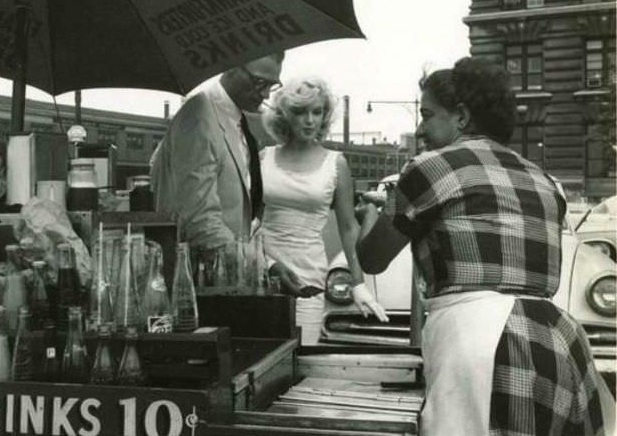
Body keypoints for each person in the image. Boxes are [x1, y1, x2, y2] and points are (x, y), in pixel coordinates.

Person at [356, 57, 611, 435]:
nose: (421, 128)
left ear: (461, 116)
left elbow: (372, 259)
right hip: (558, 338)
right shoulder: (546, 181)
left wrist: (367, 216)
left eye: (427, 115)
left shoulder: (428, 168)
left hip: (476, 340)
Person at [260, 76, 387, 345]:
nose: (309, 120)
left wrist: (358, 283)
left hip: (308, 278)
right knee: (263, 358)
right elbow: (249, 221)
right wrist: (265, 264)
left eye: (316, 112)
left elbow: (348, 226)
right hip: (263, 273)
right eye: (300, 111)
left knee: (302, 354)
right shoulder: (263, 158)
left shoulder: (336, 163)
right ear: (284, 115)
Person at [151, 53, 284, 255]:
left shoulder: (233, 118)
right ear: (231, 67)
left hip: (219, 270)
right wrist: (253, 264)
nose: (265, 94)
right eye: (259, 83)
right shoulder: (199, 115)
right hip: (196, 274)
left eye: (272, 85)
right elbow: (198, 221)